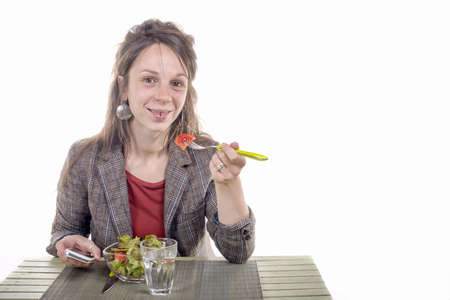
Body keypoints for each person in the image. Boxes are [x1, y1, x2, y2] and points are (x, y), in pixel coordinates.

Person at [46, 19, 255, 267]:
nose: (164, 97)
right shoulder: (84, 157)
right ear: (123, 87)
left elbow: (239, 252)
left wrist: (229, 183)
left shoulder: (203, 157)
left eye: (176, 83)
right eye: (149, 80)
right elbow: (64, 231)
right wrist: (69, 241)